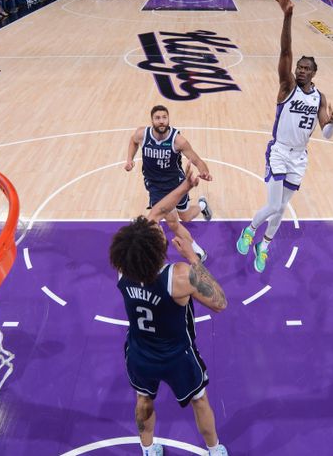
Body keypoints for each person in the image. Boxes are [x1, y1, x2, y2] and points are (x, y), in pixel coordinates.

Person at [110, 166, 228, 456]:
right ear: (156, 249)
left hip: (140, 353)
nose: (159, 226)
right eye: (157, 232)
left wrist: (186, 187)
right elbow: (220, 302)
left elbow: (157, 211)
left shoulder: (124, 268)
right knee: (199, 401)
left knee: (143, 401)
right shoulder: (179, 276)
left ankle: (147, 449)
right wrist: (193, 258)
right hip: (177, 355)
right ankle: (214, 450)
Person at [235, 0, 333, 273]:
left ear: (314, 72)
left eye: (306, 68)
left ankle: (264, 246)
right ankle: (249, 230)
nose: (300, 70)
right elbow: (285, 51)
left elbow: (327, 134)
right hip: (279, 152)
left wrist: (332, 123)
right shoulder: (287, 86)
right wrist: (287, 17)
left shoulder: (319, 98)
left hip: (300, 157)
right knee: (272, 204)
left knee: (281, 209)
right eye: (299, 67)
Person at [126, 105, 213, 261]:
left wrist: (204, 171)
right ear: (152, 120)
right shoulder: (142, 134)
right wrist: (129, 159)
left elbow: (196, 159)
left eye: (164, 117)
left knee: (185, 217)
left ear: (168, 119)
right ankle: (199, 251)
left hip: (176, 185)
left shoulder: (178, 140)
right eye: (157, 118)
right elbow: (133, 141)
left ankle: (202, 206)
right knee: (172, 223)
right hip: (155, 187)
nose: (161, 121)